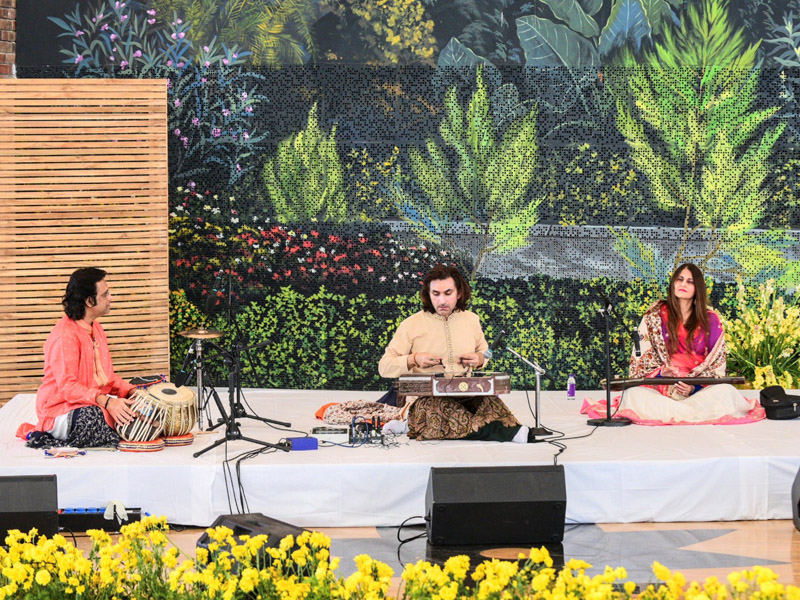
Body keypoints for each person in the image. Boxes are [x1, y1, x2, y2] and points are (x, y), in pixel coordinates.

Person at [378, 264, 533, 442]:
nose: (441, 301)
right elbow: (384, 366)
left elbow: (484, 352)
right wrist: (413, 359)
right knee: (440, 408)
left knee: (492, 404)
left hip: (466, 392)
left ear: (459, 293)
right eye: (435, 294)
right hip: (426, 398)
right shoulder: (411, 324)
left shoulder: (471, 320)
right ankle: (503, 433)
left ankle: (414, 427)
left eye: (448, 293)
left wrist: (481, 359)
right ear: (428, 294)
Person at [620, 263, 755, 423]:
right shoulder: (654, 316)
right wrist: (662, 374)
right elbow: (641, 362)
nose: (683, 284)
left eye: (690, 281)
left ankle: (672, 414)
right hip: (662, 389)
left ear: (697, 288)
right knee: (633, 394)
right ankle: (690, 415)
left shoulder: (710, 319)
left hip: (699, 391)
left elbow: (716, 365)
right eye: (680, 279)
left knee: (726, 391)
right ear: (673, 284)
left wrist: (693, 386)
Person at [17, 268, 137, 447]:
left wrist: (132, 391)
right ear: (90, 301)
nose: (110, 298)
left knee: (138, 406)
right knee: (92, 417)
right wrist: (108, 403)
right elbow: (68, 387)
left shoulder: (97, 329)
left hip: (93, 403)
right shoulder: (65, 335)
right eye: (105, 294)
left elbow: (108, 378)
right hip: (61, 410)